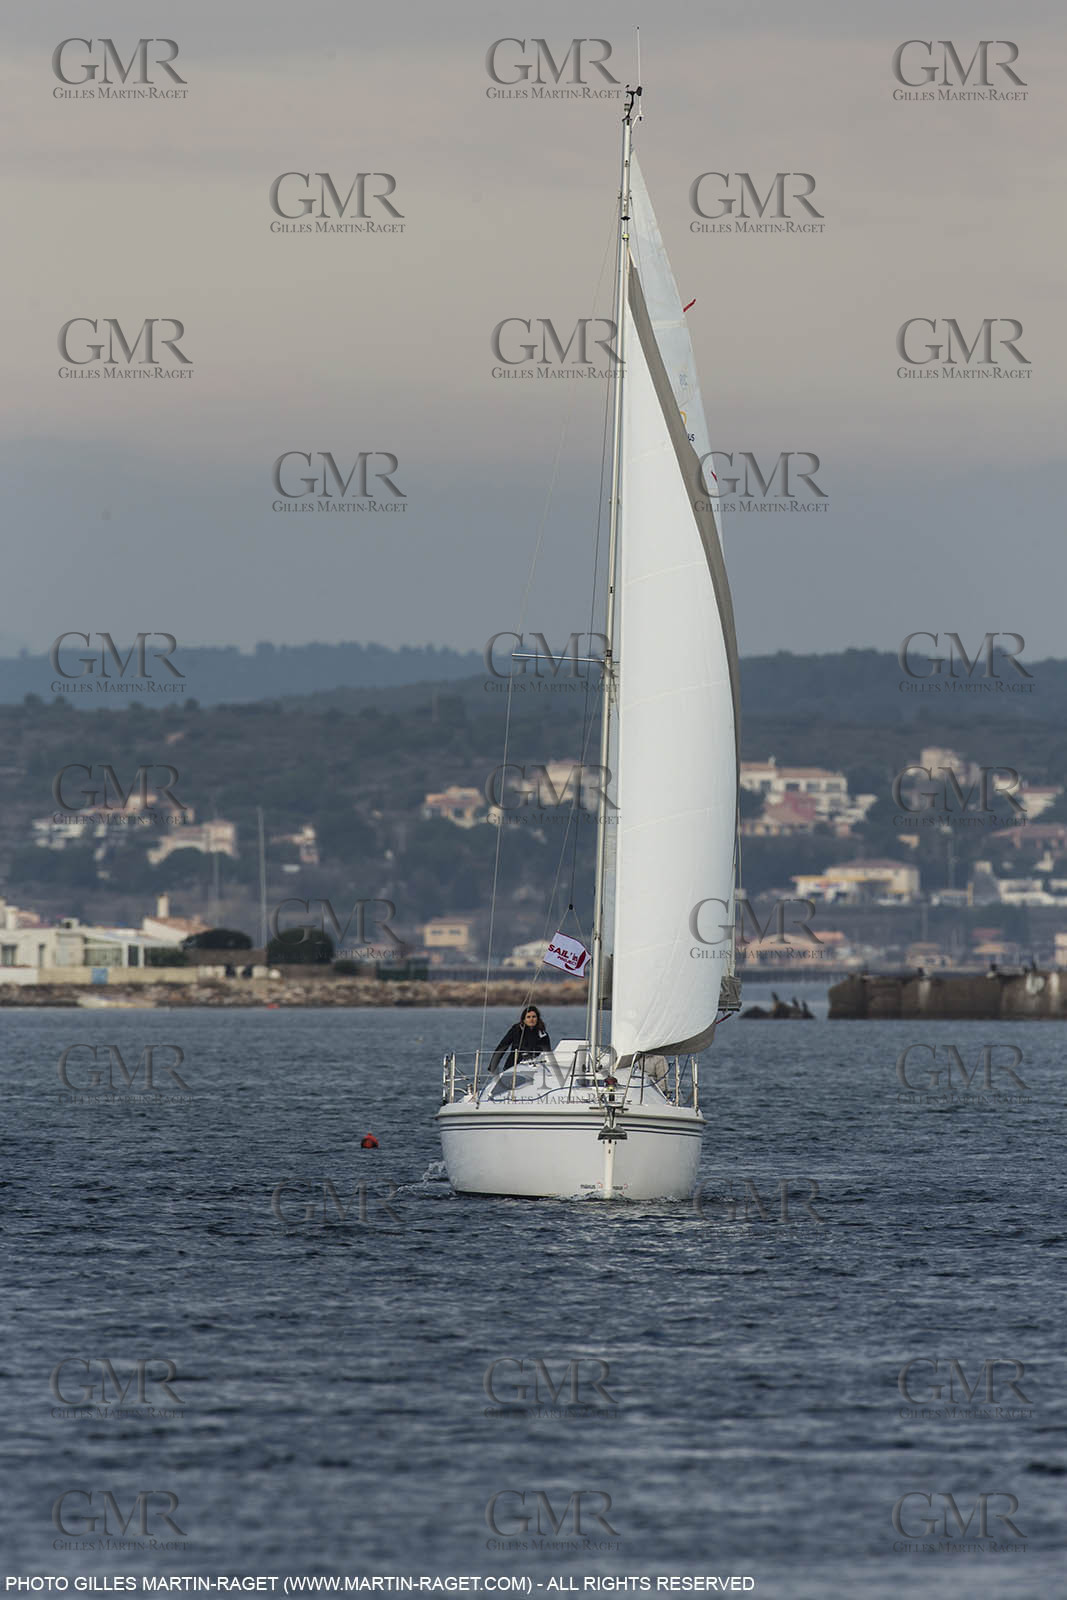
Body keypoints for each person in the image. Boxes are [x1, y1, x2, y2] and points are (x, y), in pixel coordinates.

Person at [489, 1005, 551, 1075]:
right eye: (528, 1017)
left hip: (536, 1069)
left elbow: (548, 1053)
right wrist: (492, 1066)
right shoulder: (516, 1030)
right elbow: (503, 1046)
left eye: (534, 1017)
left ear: (538, 1019)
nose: (531, 1019)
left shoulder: (543, 1034)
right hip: (513, 1067)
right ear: (524, 1019)